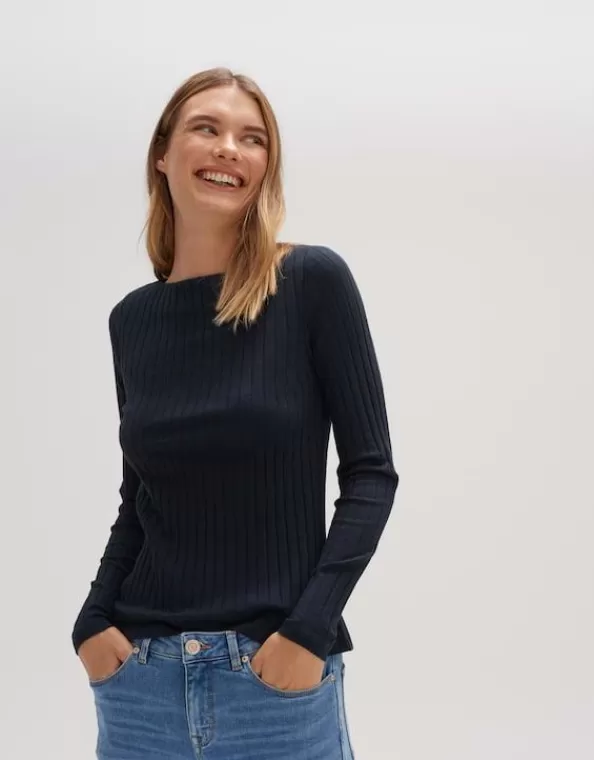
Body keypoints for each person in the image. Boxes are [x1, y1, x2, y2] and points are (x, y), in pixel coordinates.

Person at [72, 66, 399, 760]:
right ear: (163, 155)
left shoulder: (311, 282)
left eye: (253, 138)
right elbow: (140, 498)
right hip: (140, 687)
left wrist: (308, 631)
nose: (229, 148)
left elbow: (372, 475)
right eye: (207, 128)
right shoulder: (133, 320)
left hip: (274, 688)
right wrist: (92, 621)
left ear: (265, 167)